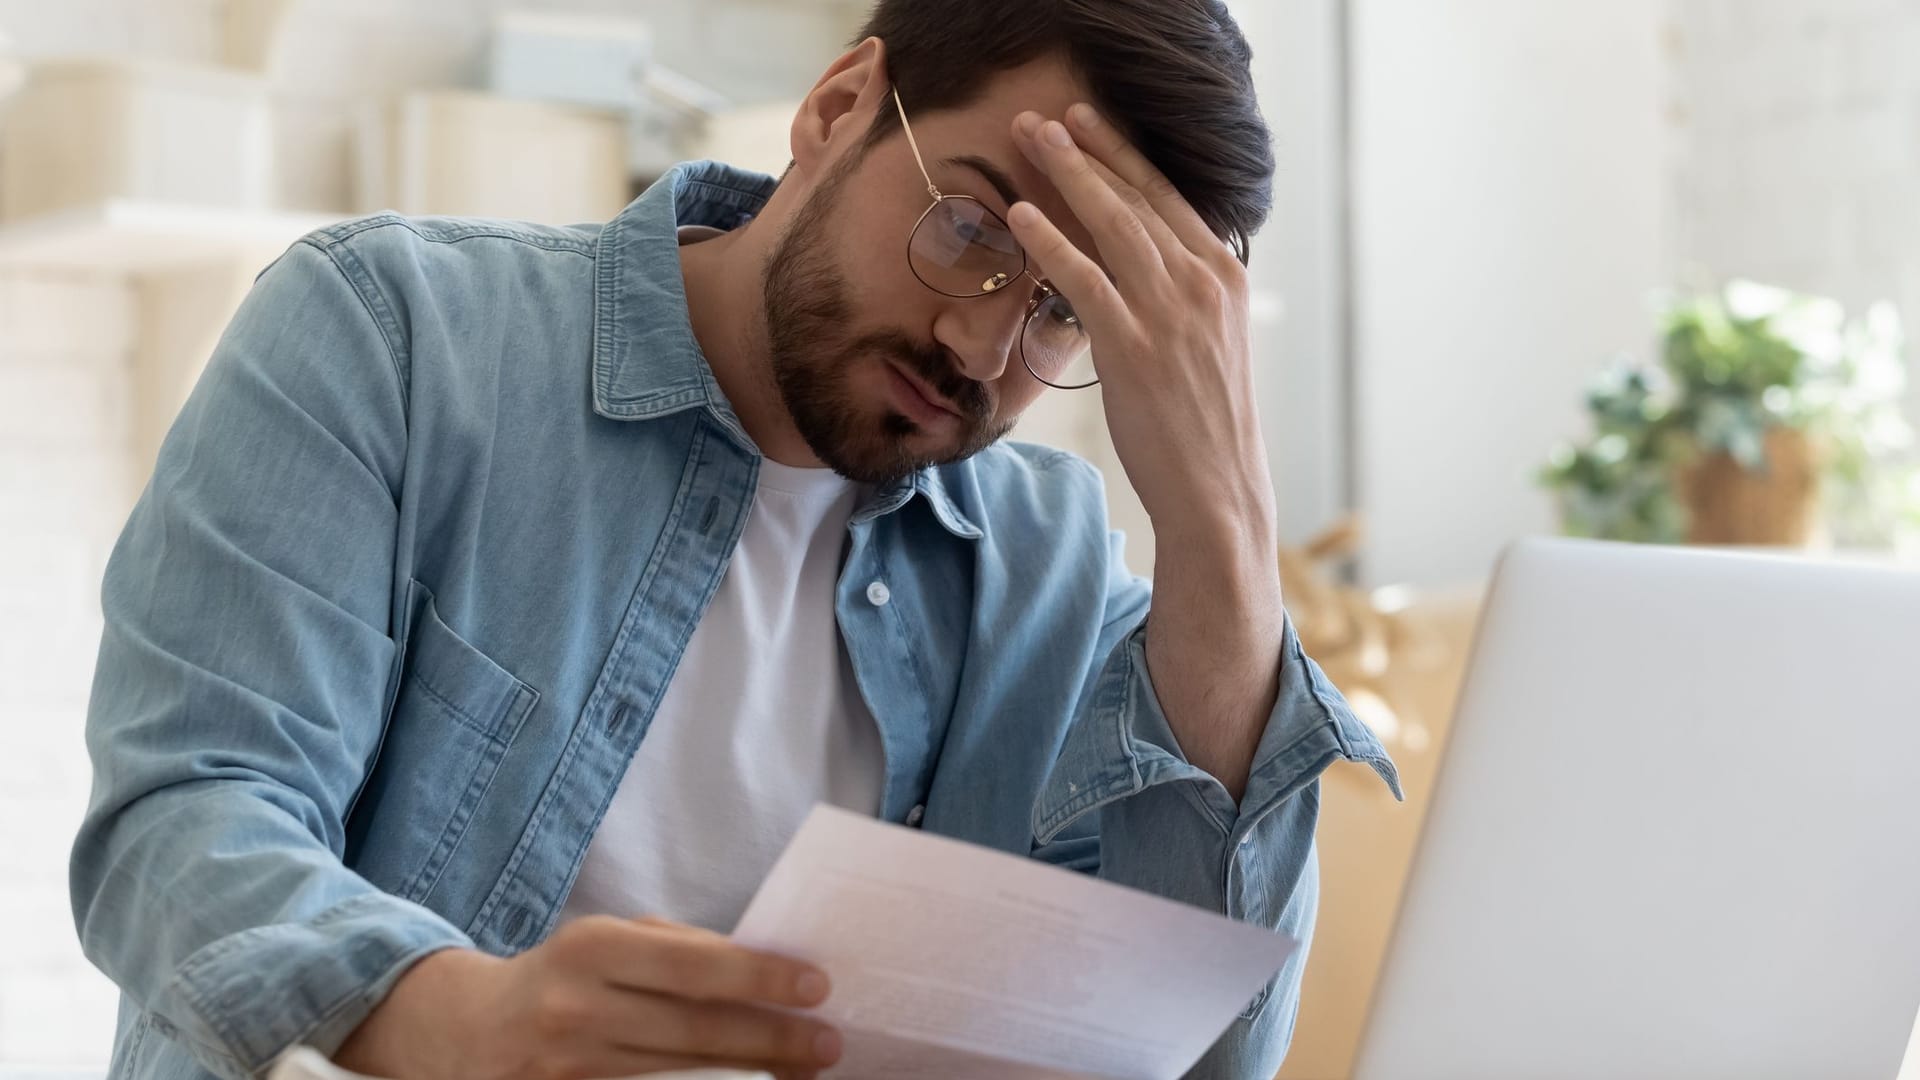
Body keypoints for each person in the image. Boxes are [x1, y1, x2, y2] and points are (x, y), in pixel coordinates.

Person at [71, 1, 1399, 1077]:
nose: (980, 346)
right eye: (974, 226)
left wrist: (1223, 538)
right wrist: (457, 1020)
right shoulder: (396, 337)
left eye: (1063, 310)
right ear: (834, 111)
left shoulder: (1045, 562)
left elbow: (1203, 1057)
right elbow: (185, 824)